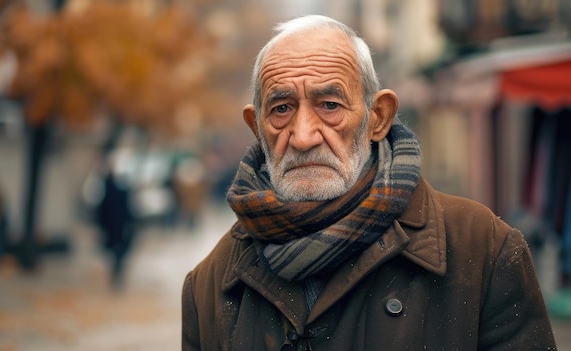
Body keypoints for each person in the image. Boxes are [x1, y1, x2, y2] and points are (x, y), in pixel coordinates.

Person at [182, 15, 556, 350]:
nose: (303, 136)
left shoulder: (484, 250)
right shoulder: (208, 287)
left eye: (329, 105)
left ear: (378, 118)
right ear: (257, 128)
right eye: (281, 109)